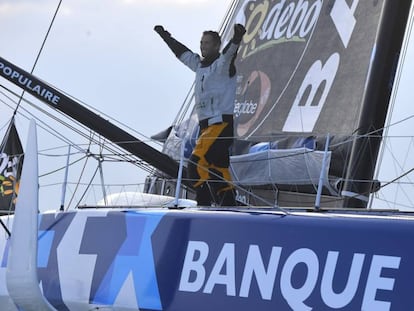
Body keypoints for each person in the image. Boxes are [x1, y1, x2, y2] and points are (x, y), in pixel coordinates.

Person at [154, 23, 246, 206]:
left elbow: (230, 54)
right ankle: (229, 204)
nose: (202, 46)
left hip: (220, 125)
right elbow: (182, 53)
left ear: (216, 45)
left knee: (195, 165)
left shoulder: (222, 65)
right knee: (217, 169)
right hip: (207, 128)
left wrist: (237, 38)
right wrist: (165, 37)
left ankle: (203, 203)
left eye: (207, 43)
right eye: (201, 43)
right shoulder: (199, 65)